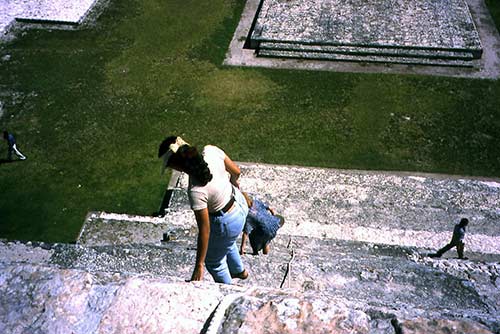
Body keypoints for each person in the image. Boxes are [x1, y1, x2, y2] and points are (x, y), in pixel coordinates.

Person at [158, 136, 249, 284]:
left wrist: (199, 265)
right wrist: (233, 183)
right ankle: (239, 271)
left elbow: (205, 230)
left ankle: (232, 290)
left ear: (177, 165)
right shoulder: (210, 150)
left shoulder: (196, 190)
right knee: (224, 239)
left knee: (214, 263)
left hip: (228, 221)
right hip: (240, 203)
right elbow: (236, 172)